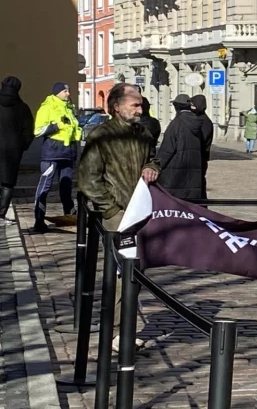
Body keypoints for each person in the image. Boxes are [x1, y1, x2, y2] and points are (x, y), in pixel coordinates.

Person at [78, 82, 160, 352]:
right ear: (117, 107)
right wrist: (111, 210)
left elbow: (153, 159)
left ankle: (125, 328)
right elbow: (89, 180)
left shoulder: (143, 134)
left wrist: (151, 167)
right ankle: (116, 332)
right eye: (135, 104)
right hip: (117, 217)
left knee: (135, 273)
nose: (140, 109)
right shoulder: (101, 136)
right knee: (120, 274)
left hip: (141, 214)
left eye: (141, 104)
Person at [31, 82, 82, 233]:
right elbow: (38, 131)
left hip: (68, 152)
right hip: (52, 154)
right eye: (65, 91)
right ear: (57, 93)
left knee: (66, 187)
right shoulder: (47, 107)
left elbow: (74, 128)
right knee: (44, 186)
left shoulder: (69, 108)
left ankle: (71, 216)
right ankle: (39, 220)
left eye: (68, 91)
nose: (68, 94)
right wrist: (56, 126)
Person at [156, 95, 207, 200]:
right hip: (194, 172)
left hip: (175, 173)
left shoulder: (176, 124)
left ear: (176, 107)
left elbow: (166, 150)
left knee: (175, 208)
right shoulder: (197, 123)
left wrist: (156, 166)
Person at [0, 76, 34, 225]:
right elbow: (28, 131)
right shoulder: (22, 107)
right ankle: (1, 213)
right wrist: (22, 146)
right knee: (8, 183)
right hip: (13, 150)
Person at [190, 95, 213, 195]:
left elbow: (200, 141)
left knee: (198, 186)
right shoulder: (196, 119)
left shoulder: (204, 122)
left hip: (200, 158)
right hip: (196, 157)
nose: (190, 108)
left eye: (192, 106)